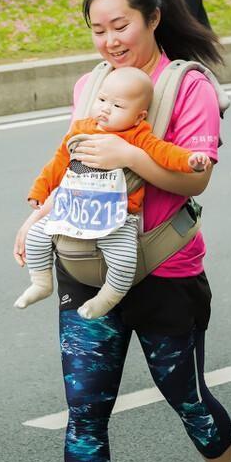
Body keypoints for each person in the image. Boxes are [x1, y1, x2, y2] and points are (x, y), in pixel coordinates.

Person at [13, 0, 231, 462]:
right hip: (84, 267)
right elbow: (72, 165)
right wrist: (34, 221)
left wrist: (131, 155)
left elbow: (195, 178)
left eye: (120, 25)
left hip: (165, 269)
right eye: (97, 29)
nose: (109, 40)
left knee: (188, 399)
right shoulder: (91, 85)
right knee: (85, 408)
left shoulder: (187, 85)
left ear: (152, 18)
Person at [14, 66, 209, 320]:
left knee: (125, 259)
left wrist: (190, 160)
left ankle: (107, 298)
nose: (105, 108)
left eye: (117, 106)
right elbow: (59, 163)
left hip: (117, 218)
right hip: (74, 208)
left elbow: (166, 153)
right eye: (102, 100)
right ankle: (41, 283)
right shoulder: (82, 128)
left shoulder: (139, 136)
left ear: (139, 117)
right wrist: (39, 191)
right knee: (38, 234)